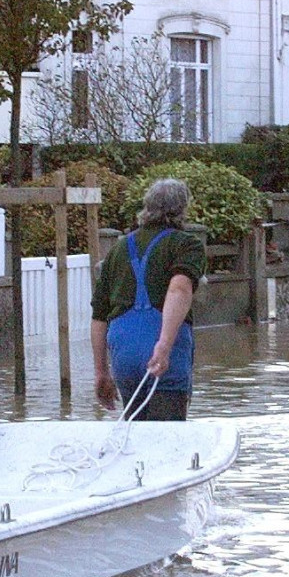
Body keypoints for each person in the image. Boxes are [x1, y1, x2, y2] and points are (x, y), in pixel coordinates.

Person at [91, 178, 207, 421]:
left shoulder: (118, 249)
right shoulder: (186, 244)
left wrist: (101, 372)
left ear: (147, 206)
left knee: (136, 435)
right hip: (162, 345)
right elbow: (179, 289)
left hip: (123, 350)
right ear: (182, 209)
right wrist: (163, 346)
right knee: (166, 436)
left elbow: (99, 316)